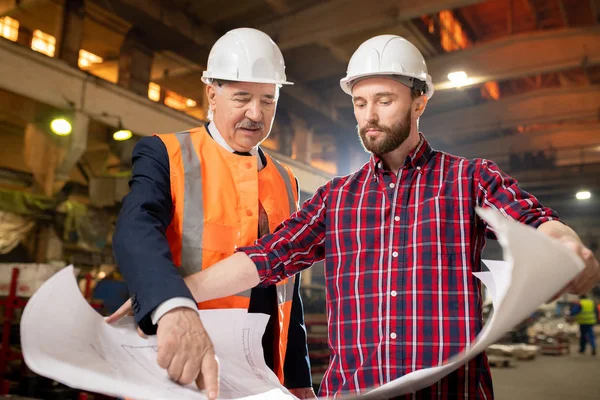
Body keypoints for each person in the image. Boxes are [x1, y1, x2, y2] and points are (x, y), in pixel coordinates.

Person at [111, 35, 600, 398]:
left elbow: (537, 220)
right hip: (352, 391)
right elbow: (267, 258)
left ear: (419, 101)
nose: (369, 116)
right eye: (360, 103)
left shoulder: (468, 178)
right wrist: (170, 296)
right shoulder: (336, 197)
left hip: (452, 391)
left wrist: (565, 246)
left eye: (384, 101)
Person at [108, 28, 315, 399]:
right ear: (211, 94)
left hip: (264, 375)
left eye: (268, 100)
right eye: (242, 98)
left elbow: (291, 289)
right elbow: (135, 229)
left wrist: (299, 381)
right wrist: (171, 305)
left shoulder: (286, 180)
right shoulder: (166, 154)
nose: (256, 113)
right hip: (182, 364)